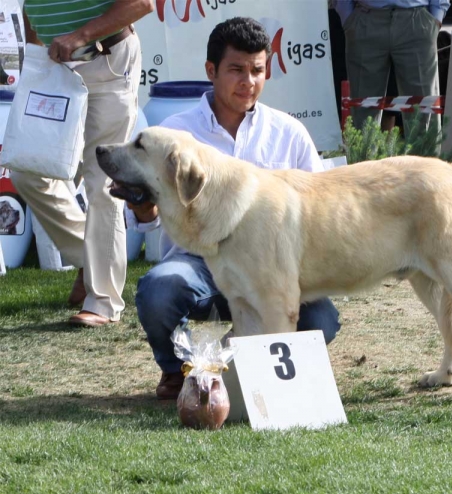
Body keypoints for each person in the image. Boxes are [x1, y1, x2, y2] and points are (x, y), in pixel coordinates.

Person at [127, 17, 341, 400]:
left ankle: (258, 375)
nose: (249, 81)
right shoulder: (176, 133)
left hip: (272, 270)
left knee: (322, 319)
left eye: (257, 70)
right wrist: (143, 209)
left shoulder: (289, 133)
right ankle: (179, 372)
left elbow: (319, 205)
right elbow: (146, 218)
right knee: (159, 291)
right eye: (236, 70)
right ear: (211, 71)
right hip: (198, 264)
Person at [11, 0, 154, 327]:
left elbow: (142, 3)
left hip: (108, 62)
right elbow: (32, 10)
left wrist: (79, 36)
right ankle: (88, 259)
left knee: (102, 185)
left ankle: (103, 304)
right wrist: (34, 57)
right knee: (27, 173)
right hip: (54, 68)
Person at [332, 0, 447, 134]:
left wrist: (437, 15)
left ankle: (424, 155)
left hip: (416, 20)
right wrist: (348, 17)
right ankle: (364, 155)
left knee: (423, 108)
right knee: (363, 109)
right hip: (366, 19)